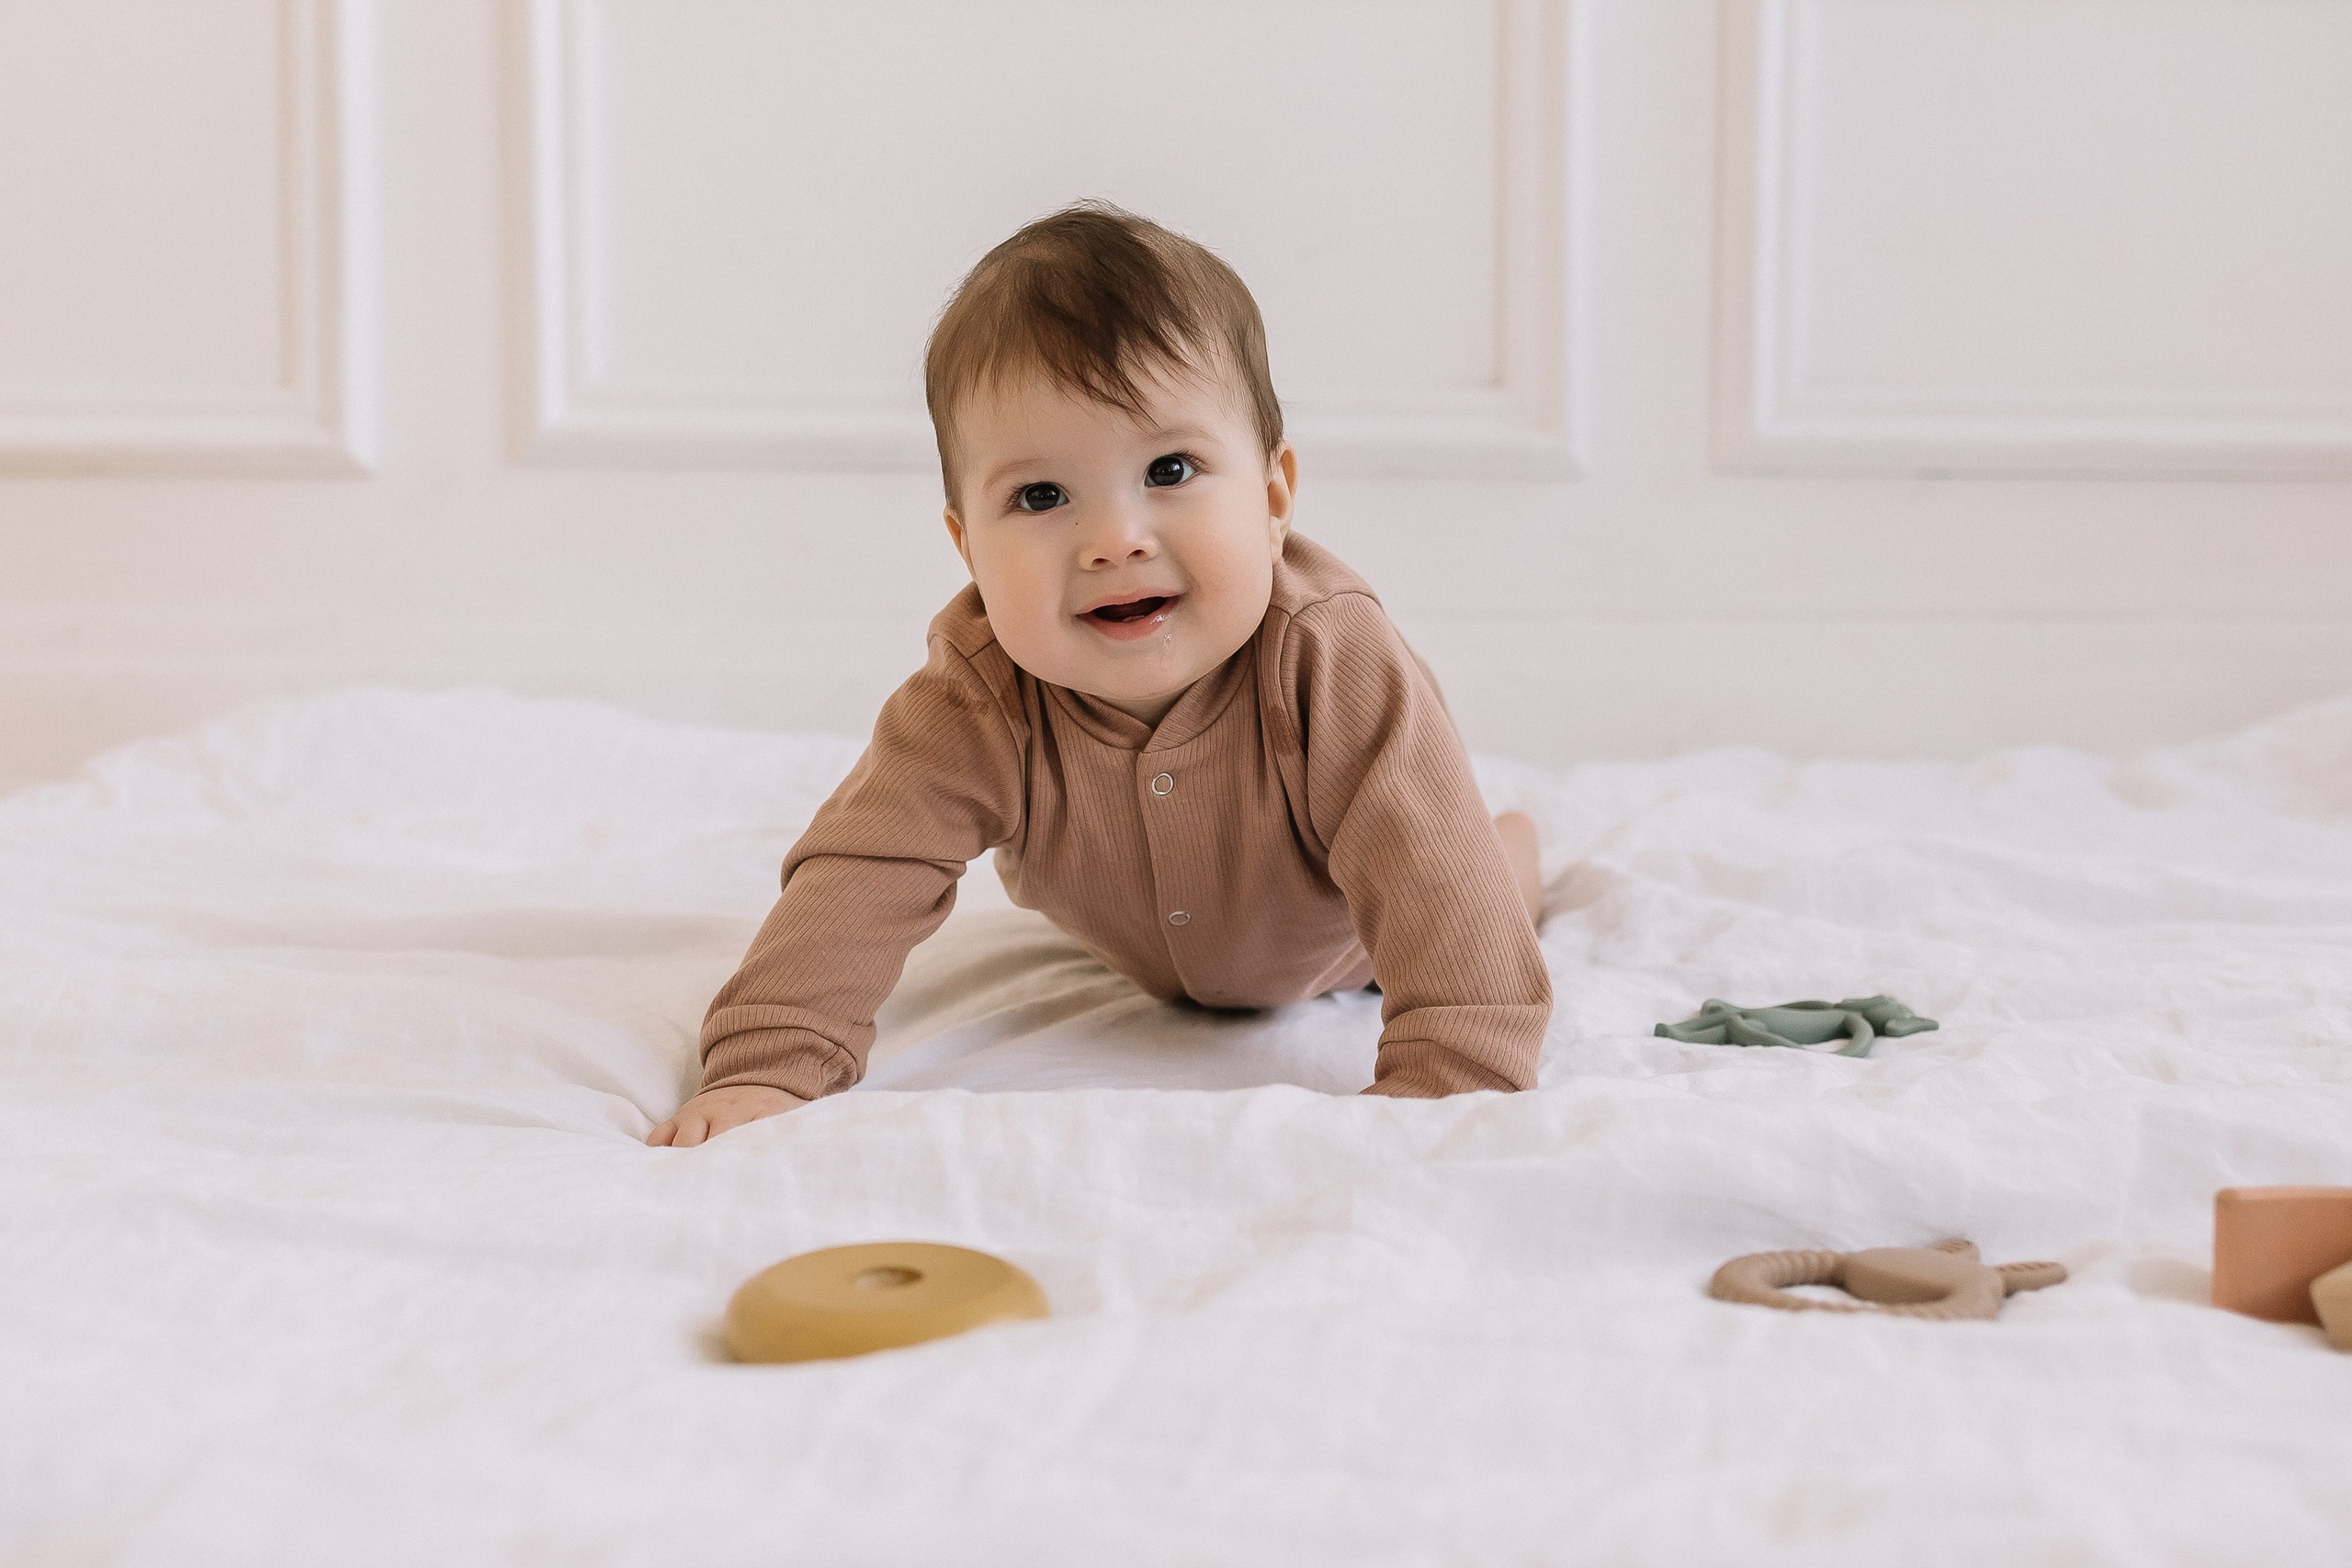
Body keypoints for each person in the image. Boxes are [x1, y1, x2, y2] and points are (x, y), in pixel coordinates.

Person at [648, 203, 1550, 1147]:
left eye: (1169, 469)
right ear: (967, 546)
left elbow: (1430, 870)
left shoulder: (1330, 658)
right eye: (1040, 496)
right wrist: (769, 1067)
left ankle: (1515, 851)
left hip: (1346, 938)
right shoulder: (977, 696)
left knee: (1480, 878)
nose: (1115, 541)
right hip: (1151, 958)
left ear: (1273, 498)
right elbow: (863, 873)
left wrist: (1454, 1085)